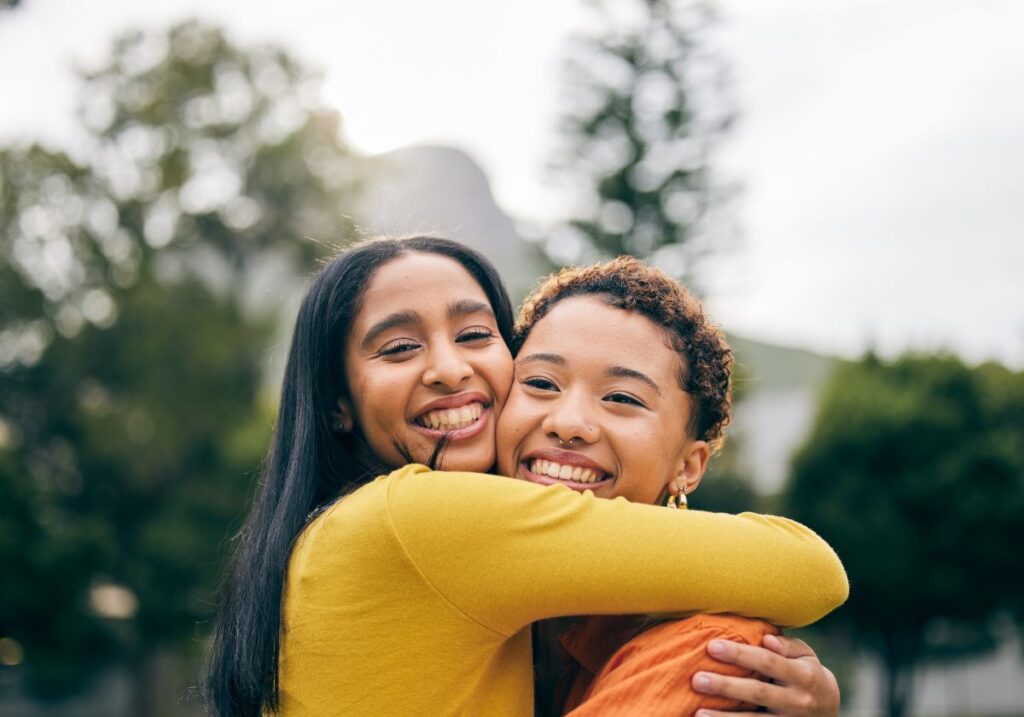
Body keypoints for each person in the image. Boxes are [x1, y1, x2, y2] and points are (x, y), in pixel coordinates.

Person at [202, 236, 847, 716]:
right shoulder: (424, 517)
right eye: (399, 347)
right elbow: (808, 569)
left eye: (476, 334)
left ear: (692, 462)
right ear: (336, 400)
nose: (450, 369)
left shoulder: (537, 620)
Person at [499, 257, 839, 716]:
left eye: (621, 397)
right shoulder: (436, 554)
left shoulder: (709, 653)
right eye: (540, 382)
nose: (568, 423)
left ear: (689, 466)